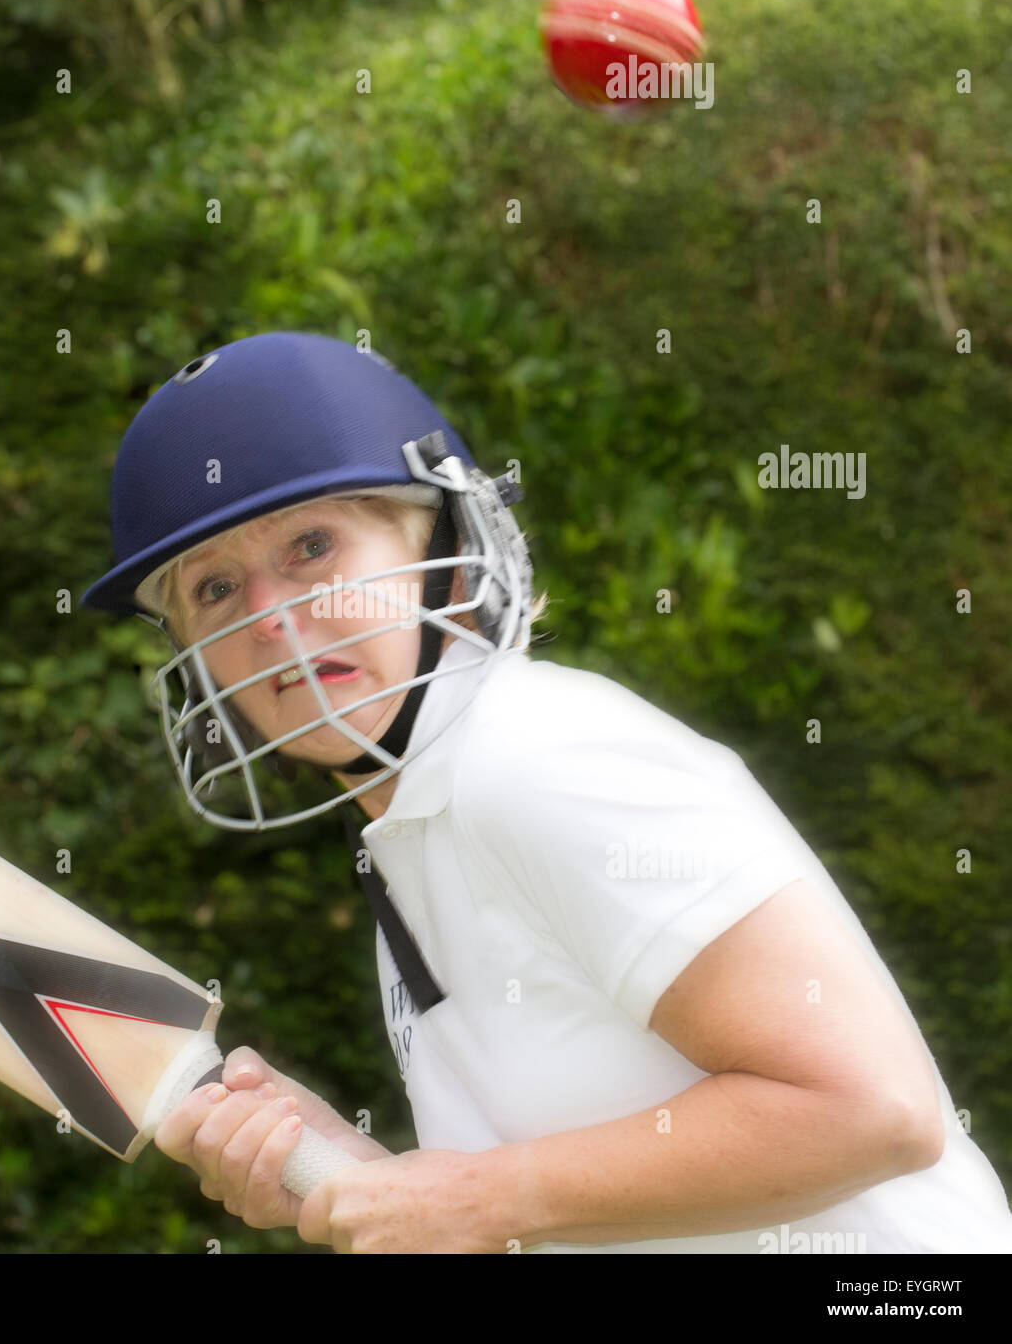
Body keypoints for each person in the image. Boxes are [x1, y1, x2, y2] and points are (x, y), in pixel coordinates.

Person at [83, 330, 1012, 1254]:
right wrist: (352, 1173)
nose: (273, 618)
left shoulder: (531, 755)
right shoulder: (416, 824)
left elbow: (871, 1111)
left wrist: (487, 1197)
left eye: (313, 545)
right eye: (214, 588)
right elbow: (578, 1205)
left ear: (442, 543)